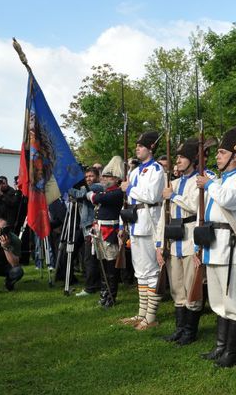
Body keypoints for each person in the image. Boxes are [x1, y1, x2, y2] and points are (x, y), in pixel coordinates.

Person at [196, 126, 236, 368]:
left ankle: (232, 352)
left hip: (230, 247)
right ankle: (220, 346)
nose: (217, 157)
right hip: (213, 244)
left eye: (222, 153)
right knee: (218, 301)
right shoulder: (219, 181)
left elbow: (226, 199)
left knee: (233, 302)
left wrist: (209, 184)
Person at [156, 138, 201, 345]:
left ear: (192, 159)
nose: (178, 161)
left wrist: (173, 196)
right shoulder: (172, 183)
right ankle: (180, 328)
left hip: (191, 237)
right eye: (178, 157)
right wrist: (159, 243)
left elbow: (194, 206)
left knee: (192, 286)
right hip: (174, 240)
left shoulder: (198, 181)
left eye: (183, 157)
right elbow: (163, 217)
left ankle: (190, 331)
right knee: (177, 287)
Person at [119, 131, 165, 330]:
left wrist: (129, 189)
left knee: (151, 271)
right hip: (135, 223)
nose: (137, 148)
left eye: (141, 145)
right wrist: (123, 225)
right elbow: (129, 201)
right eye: (136, 145)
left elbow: (152, 195)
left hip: (149, 222)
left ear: (150, 148)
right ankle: (141, 312)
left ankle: (151, 315)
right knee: (140, 271)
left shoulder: (157, 170)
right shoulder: (135, 171)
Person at [87, 156, 125, 308]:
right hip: (100, 231)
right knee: (102, 264)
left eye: (107, 176)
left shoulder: (116, 193)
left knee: (110, 266)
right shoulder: (108, 191)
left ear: (116, 178)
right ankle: (104, 293)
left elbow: (95, 198)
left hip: (110, 231)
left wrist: (92, 196)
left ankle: (110, 295)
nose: (103, 178)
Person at [70, 167, 103, 297]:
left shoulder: (97, 187)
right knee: (90, 258)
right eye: (87, 176)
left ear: (97, 176)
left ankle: (90, 287)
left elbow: (80, 194)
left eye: (91, 176)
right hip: (87, 226)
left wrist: (67, 188)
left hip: (93, 227)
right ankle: (96, 284)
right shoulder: (87, 188)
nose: (89, 178)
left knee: (90, 258)